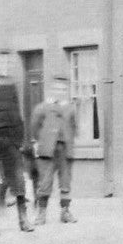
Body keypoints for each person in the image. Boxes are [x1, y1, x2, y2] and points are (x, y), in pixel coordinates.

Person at [0, 65, 34, 234]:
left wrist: (18, 140)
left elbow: (18, 113)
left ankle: (23, 218)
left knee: (18, 178)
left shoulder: (11, 85)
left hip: (11, 140)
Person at [30, 75, 77, 225]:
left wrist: (68, 141)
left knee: (65, 181)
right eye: (57, 88)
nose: (60, 92)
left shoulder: (71, 108)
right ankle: (41, 214)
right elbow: (34, 128)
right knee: (45, 182)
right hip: (48, 150)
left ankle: (65, 212)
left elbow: (74, 127)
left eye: (63, 89)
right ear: (51, 90)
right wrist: (42, 142)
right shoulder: (42, 107)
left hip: (65, 149)